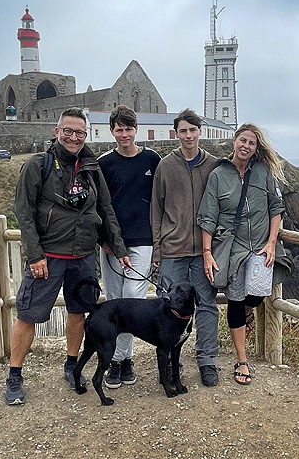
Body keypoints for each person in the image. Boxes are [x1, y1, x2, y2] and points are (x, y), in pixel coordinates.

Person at [5, 107, 131, 405]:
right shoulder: (38, 165)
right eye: (69, 131)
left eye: (80, 133)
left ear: (86, 135)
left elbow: (105, 210)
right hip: (47, 257)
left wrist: (119, 247)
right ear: (57, 131)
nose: (74, 137)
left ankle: (72, 365)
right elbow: (23, 212)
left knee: (78, 313)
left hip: (83, 256)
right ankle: (14, 375)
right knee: (28, 315)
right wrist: (34, 255)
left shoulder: (92, 168)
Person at [197, 122, 285, 385]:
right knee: (235, 301)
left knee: (258, 293)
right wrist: (206, 252)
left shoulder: (264, 172)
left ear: (256, 148)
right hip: (231, 249)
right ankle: (242, 360)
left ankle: (245, 316)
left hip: (259, 246)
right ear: (234, 141)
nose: (246, 146)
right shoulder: (218, 175)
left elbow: (276, 207)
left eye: (252, 143)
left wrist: (271, 242)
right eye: (243, 140)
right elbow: (207, 217)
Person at [150, 108, 220, 387]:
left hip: (205, 250)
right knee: (169, 308)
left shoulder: (214, 165)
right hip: (172, 249)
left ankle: (207, 361)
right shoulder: (165, 166)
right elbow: (156, 209)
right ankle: (172, 364)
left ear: (200, 131)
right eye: (183, 130)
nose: (188, 135)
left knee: (207, 305)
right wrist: (157, 249)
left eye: (193, 130)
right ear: (176, 133)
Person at [97, 105, 161, 389]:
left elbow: (161, 202)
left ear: (136, 129)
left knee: (132, 299)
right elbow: (97, 207)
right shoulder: (104, 163)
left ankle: (121, 360)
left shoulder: (152, 159)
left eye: (128, 128)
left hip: (143, 241)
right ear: (112, 131)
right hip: (111, 244)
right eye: (119, 129)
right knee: (114, 301)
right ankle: (119, 361)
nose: (124, 134)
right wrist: (105, 241)